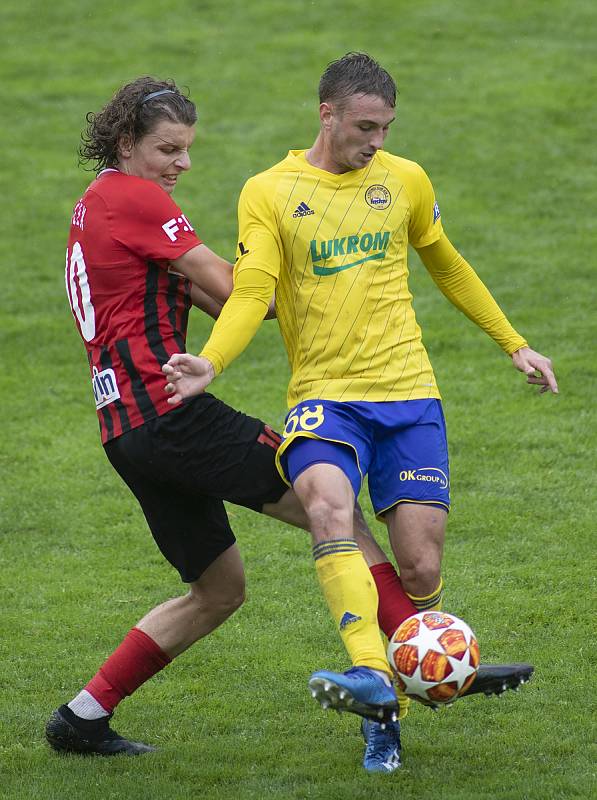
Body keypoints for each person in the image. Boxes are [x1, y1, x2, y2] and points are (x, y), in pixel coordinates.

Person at [162, 53, 557, 772]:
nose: (375, 141)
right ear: (327, 114)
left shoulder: (403, 180)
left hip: (408, 395)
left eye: (384, 127)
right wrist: (211, 361)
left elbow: (446, 262)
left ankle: (402, 685)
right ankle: (374, 683)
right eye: (363, 126)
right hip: (324, 401)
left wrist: (514, 344)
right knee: (326, 512)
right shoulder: (270, 191)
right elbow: (251, 290)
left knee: (418, 563)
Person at [47, 75, 406, 762]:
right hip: (175, 413)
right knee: (329, 504)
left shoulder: (95, 202)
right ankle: (429, 651)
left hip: (125, 430)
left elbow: (208, 298)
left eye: (186, 150)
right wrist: (273, 247)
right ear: (127, 144)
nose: (181, 164)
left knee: (218, 590)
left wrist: (227, 288)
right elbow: (245, 296)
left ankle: (81, 717)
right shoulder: (137, 198)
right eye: (167, 149)